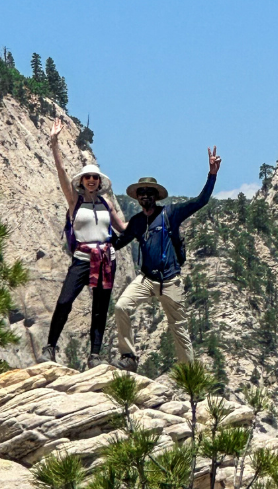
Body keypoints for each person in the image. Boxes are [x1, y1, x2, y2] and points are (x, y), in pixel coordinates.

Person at [111, 147, 221, 371]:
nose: (145, 196)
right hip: (147, 279)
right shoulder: (137, 222)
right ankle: (129, 357)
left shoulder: (171, 213)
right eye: (141, 192)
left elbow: (201, 201)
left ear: (156, 196)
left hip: (170, 280)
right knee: (122, 306)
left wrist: (212, 175)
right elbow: (118, 243)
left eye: (149, 192)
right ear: (138, 197)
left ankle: (188, 376)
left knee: (179, 328)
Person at [41, 117, 127, 368]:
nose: (91, 180)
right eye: (88, 177)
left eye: (95, 178)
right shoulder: (74, 200)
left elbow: (123, 228)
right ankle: (50, 347)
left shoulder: (106, 204)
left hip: (105, 260)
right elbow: (60, 172)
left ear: (100, 182)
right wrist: (54, 144)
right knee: (65, 301)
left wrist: (149, 219)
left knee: (100, 309)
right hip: (81, 260)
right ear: (82, 181)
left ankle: (95, 356)